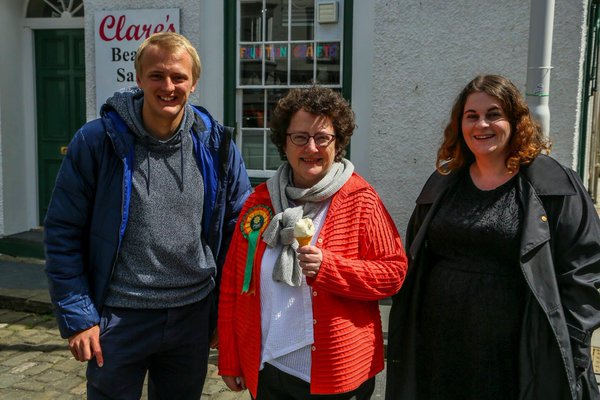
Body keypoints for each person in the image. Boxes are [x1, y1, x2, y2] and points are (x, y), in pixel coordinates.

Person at [44, 32, 251, 399]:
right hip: (120, 317)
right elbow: (63, 232)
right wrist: (79, 318)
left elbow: (240, 230)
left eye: (178, 77)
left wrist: (226, 312)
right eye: (156, 75)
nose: (168, 86)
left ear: (194, 83)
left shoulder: (216, 145)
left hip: (193, 315)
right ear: (138, 79)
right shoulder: (97, 142)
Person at [385, 74, 600, 400]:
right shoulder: (442, 183)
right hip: (440, 346)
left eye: (494, 114)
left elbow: (585, 269)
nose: (481, 124)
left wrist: (572, 343)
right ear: (460, 124)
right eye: (471, 116)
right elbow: (414, 258)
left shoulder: (553, 186)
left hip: (518, 352)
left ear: (515, 121)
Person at [217, 86, 408, 399]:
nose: (312, 147)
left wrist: (329, 268)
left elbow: (393, 274)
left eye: (323, 137)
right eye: (300, 137)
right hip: (268, 367)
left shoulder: (361, 199)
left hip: (337, 372)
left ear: (338, 142)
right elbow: (232, 284)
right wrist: (229, 357)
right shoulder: (260, 201)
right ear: (284, 141)